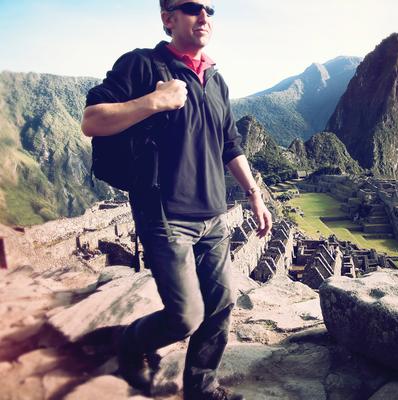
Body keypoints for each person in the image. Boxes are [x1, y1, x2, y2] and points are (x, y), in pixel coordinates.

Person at [81, 1, 272, 399]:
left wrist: (254, 195)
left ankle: (201, 388)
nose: (203, 16)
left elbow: (230, 145)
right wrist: (155, 101)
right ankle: (132, 342)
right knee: (186, 316)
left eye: (209, 8)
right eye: (190, 8)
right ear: (168, 19)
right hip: (166, 215)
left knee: (220, 305)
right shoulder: (141, 66)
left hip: (213, 214)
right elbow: (92, 120)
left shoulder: (217, 80)